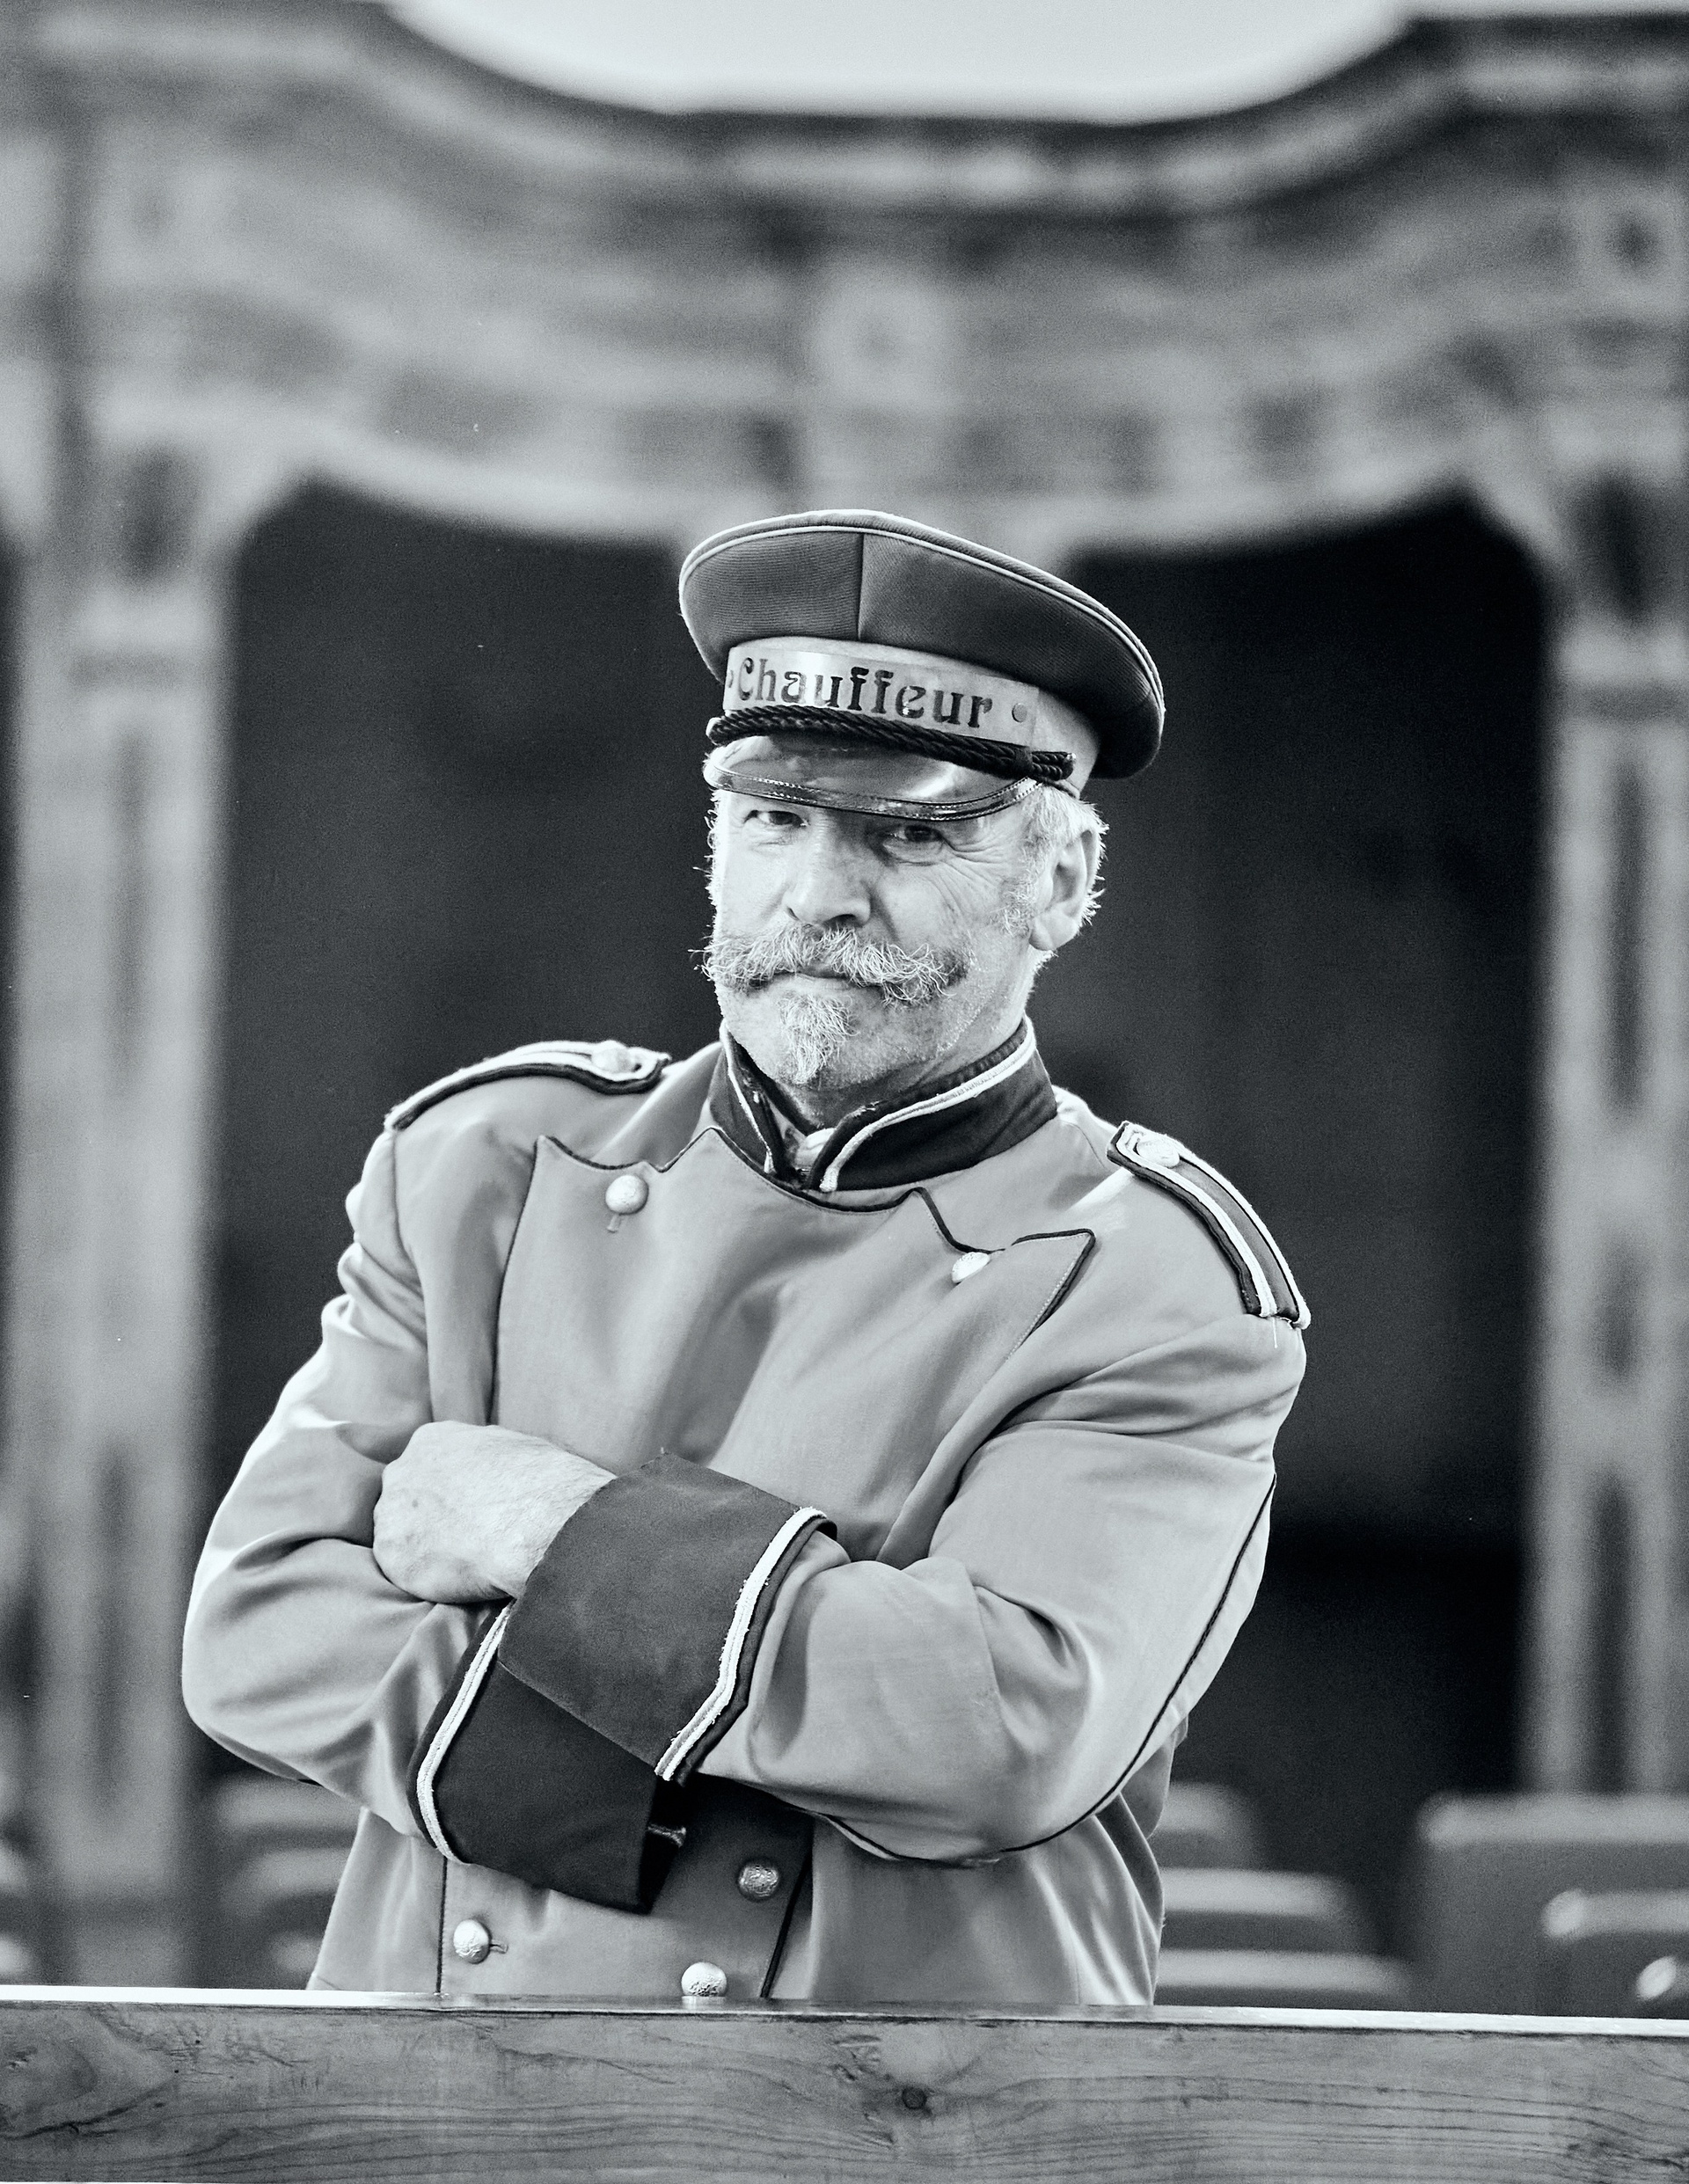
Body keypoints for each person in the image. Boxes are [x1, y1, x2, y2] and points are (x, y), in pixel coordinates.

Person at [183, 508, 1307, 2007]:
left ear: (1059, 883)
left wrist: (552, 1531)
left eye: (910, 834)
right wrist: (762, 1733)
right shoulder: (482, 1164)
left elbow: (996, 1730)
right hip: (437, 2105)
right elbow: (258, 1630)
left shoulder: (1156, 1281)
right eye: (773, 819)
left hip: (897, 2119)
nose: (818, 893)